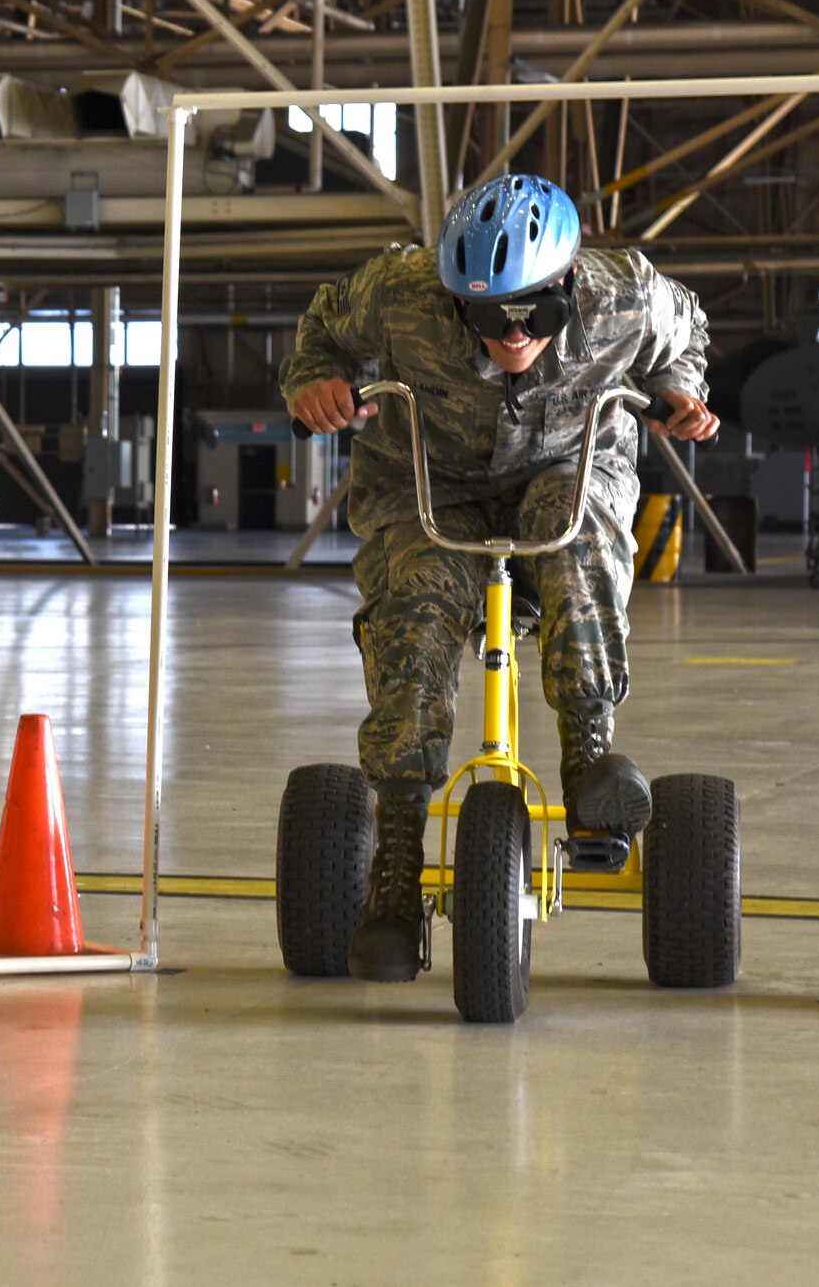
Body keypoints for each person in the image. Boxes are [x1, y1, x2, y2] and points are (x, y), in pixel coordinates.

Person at [281, 173, 719, 983]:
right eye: (488, 318)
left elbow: (688, 334)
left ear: (566, 285)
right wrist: (315, 385)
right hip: (428, 484)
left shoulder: (624, 294)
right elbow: (319, 337)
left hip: (566, 466)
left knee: (574, 530)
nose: (512, 337)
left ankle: (590, 757)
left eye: (533, 315)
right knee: (412, 609)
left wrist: (682, 391)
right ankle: (397, 867)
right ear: (454, 299)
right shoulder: (396, 292)